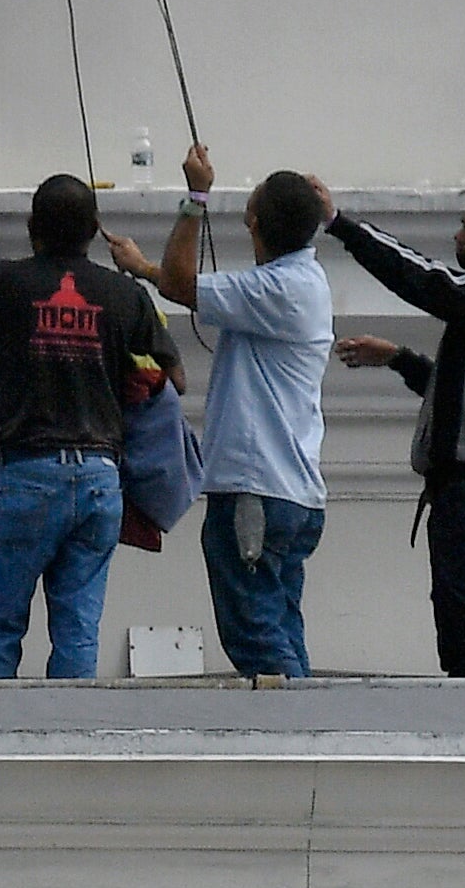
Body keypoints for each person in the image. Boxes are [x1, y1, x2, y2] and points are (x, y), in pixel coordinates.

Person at [0, 174, 167, 679]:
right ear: (95, 231)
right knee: (78, 630)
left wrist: (6, 320)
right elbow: (154, 374)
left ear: (32, 226)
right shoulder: (127, 296)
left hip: (26, 476)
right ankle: (71, 748)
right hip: (101, 478)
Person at [108, 146, 334, 679]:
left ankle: (293, 740)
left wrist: (196, 197)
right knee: (280, 626)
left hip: (256, 490)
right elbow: (180, 283)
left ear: (254, 224)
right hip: (294, 493)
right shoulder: (303, 282)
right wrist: (144, 268)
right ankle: (310, 727)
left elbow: (184, 284)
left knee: (256, 637)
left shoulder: (277, 288)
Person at [318, 180, 465, 676]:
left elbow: (420, 277)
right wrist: (398, 358)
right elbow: (459, 400)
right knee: (461, 629)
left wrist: (342, 226)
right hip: (463, 496)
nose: (459, 238)